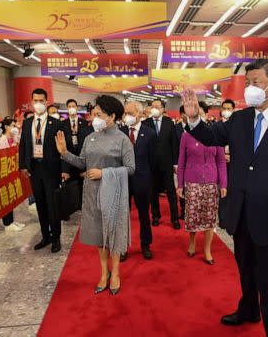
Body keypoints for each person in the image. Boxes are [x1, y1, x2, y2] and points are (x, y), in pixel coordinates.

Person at [182, 58, 268, 336]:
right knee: (246, 270)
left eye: (256, 82)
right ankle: (248, 309)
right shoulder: (241, 119)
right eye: (248, 83)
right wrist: (194, 117)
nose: (250, 88)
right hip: (241, 213)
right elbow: (212, 136)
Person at [57, 95, 135, 295]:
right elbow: (83, 162)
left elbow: (130, 168)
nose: (94, 119)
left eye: (99, 115)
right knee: (99, 235)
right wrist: (65, 153)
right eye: (93, 114)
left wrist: (105, 173)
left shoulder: (122, 139)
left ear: (112, 116)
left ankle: (116, 272)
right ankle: (104, 272)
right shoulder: (90, 138)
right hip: (92, 193)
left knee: (114, 233)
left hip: (114, 194)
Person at [19, 88, 71, 254]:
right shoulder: (27, 123)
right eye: (36, 101)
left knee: (52, 205)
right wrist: (23, 165)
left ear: (47, 102)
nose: (39, 104)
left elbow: (64, 148)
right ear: (32, 101)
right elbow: (23, 146)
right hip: (34, 168)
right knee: (40, 204)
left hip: (52, 169)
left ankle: (56, 237)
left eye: (42, 101)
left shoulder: (56, 123)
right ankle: (45, 235)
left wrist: (65, 169)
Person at [176, 124, 227, 265]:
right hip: (192, 182)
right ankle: (192, 242)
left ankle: (207, 249)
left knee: (209, 217)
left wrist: (223, 184)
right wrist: (180, 184)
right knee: (192, 216)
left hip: (211, 182)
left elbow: (221, 162)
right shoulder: (186, 136)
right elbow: (181, 161)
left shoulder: (216, 137)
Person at [121, 101, 157, 260]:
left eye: (130, 113)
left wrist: (149, 179)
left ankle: (145, 243)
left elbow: (153, 160)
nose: (126, 116)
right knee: (123, 215)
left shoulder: (149, 133)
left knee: (143, 214)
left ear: (139, 114)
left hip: (142, 180)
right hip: (122, 180)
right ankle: (122, 246)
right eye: (125, 113)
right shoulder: (120, 132)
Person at [143, 99, 180, 229]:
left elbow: (174, 144)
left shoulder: (169, 123)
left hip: (167, 163)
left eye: (157, 106)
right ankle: (156, 216)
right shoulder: (145, 123)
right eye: (152, 106)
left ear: (163, 109)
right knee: (153, 192)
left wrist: (175, 163)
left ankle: (175, 218)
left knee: (170, 191)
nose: (154, 108)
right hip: (151, 164)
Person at [0, 118, 25, 232]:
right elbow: (0, 158)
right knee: (5, 198)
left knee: (11, 197)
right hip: (4, 174)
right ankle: (7, 223)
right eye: (13, 125)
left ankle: (12, 220)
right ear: (6, 127)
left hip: (12, 173)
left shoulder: (13, 139)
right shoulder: (1, 141)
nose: (15, 128)